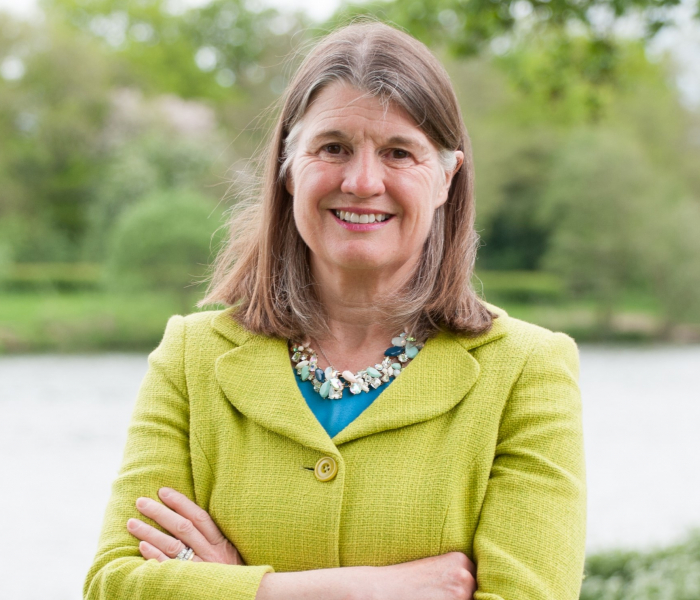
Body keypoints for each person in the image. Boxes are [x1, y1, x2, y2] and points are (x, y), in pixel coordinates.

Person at [84, 20, 586, 600]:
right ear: (288, 166)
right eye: (333, 148)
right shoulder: (191, 359)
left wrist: (226, 584)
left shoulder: (527, 371)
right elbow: (114, 586)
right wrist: (343, 591)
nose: (362, 180)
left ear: (448, 177)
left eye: (400, 152)